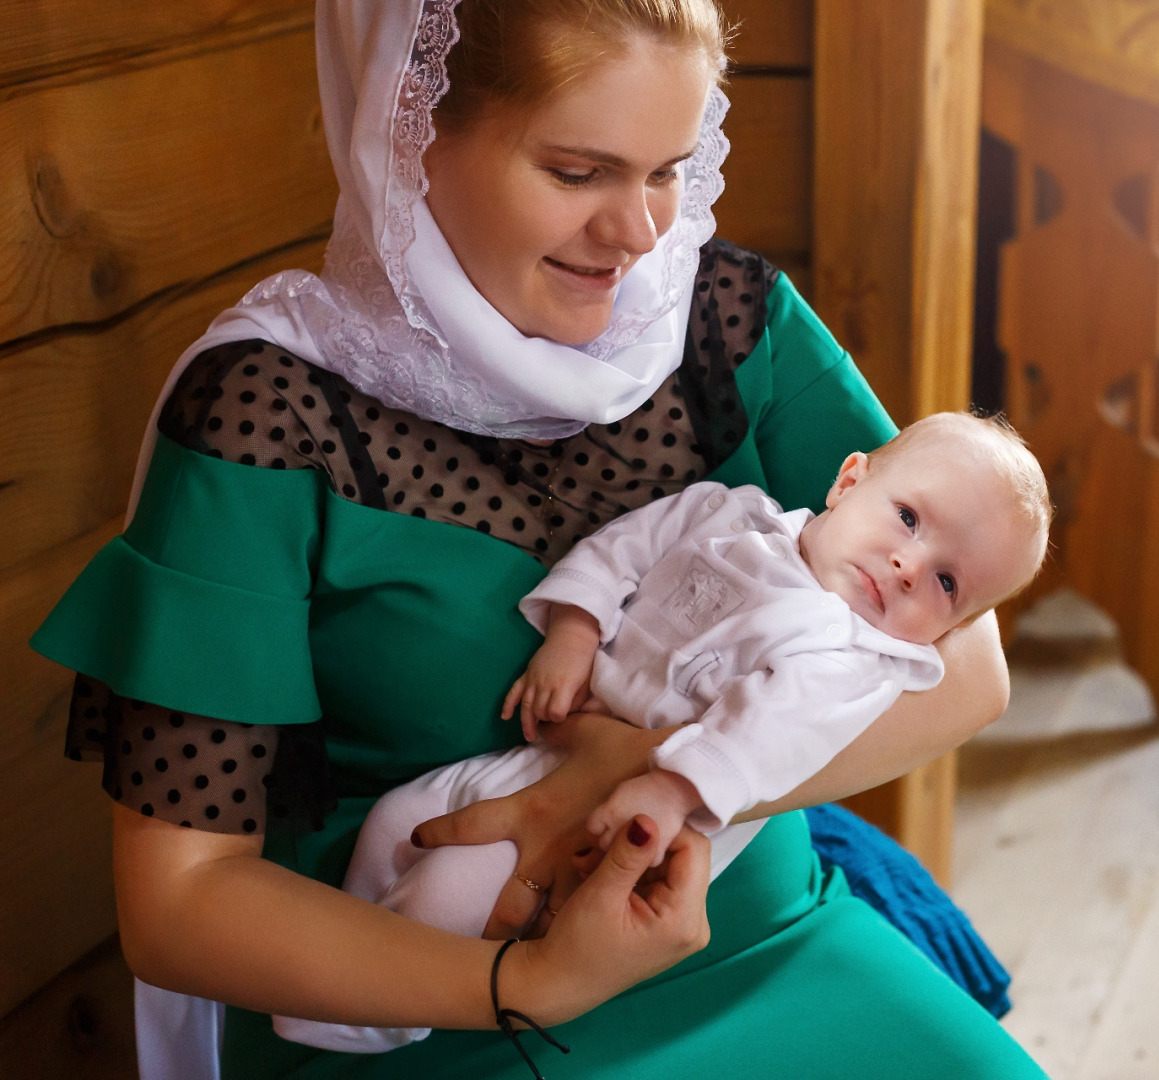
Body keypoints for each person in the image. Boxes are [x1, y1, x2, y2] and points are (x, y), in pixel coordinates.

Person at [30, 0, 1050, 1076]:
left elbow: (965, 669)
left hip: (765, 933)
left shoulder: (724, 320)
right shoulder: (267, 420)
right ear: (408, 140)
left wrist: (642, 779)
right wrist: (528, 984)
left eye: (669, 167)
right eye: (577, 173)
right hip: (442, 1002)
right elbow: (180, 906)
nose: (642, 233)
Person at [273, 413, 1051, 1053]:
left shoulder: (852, 661)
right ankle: (341, 970)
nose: (910, 564)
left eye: (947, 583)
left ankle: (376, 1023)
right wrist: (575, 631)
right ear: (850, 481)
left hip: (639, 822)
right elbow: (625, 550)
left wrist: (669, 787)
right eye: (909, 519)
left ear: (951, 624)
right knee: (398, 822)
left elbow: (764, 739)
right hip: (538, 752)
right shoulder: (730, 514)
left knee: (450, 888)